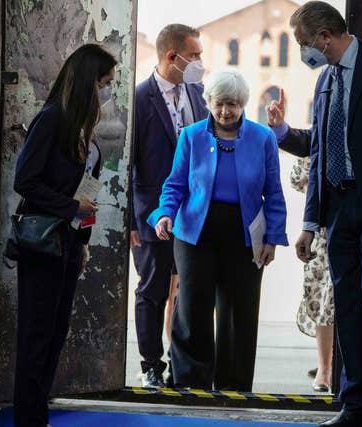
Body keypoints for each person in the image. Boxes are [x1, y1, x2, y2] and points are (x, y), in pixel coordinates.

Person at [270, 2, 362, 425]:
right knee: (346, 308)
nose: (305, 52)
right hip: (337, 208)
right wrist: (309, 223)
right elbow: (321, 151)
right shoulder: (324, 82)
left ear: (324, 37)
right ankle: (355, 403)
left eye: (305, 43)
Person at [148, 69, 288, 391]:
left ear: (243, 104)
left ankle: (234, 386)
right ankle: (191, 383)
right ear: (208, 101)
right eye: (220, 103)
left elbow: (274, 193)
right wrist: (164, 214)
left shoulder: (263, 138)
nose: (226, 111)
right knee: (193, 309)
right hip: (196, 232)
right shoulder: (192, 136)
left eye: (234, 104)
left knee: (240, 312)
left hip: (244, 233)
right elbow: (175, 185)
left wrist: (272, 238)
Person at [12, 44, 116, 427]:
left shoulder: (82, 130)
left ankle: (39, 414)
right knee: (36, 335)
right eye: (104, 83)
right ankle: (28, 418)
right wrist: (71, 210)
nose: (107, 91)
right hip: (43, 243)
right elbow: (26, 180)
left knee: (55, 333)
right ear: (88, 81)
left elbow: (86, 192)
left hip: (70, 244)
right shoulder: (51, 119)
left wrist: (84, 240)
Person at [131, 23, 208, 388]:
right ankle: (150, 365)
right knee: (153, 289)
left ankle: (184, 366)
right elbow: (128, 163)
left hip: (192, 212)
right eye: (194, 55)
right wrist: (133, 221)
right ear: (171, 56)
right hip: (151, 212)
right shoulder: (139, 98)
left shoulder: (196, 92)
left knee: (189, 289)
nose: (199, 61)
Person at [290, 157, 334, 393]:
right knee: (323, 304)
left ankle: (336, 365)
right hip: (321, 233)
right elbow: (302, 181)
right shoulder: (314, 143)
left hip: (352, 226)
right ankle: (324, 368)